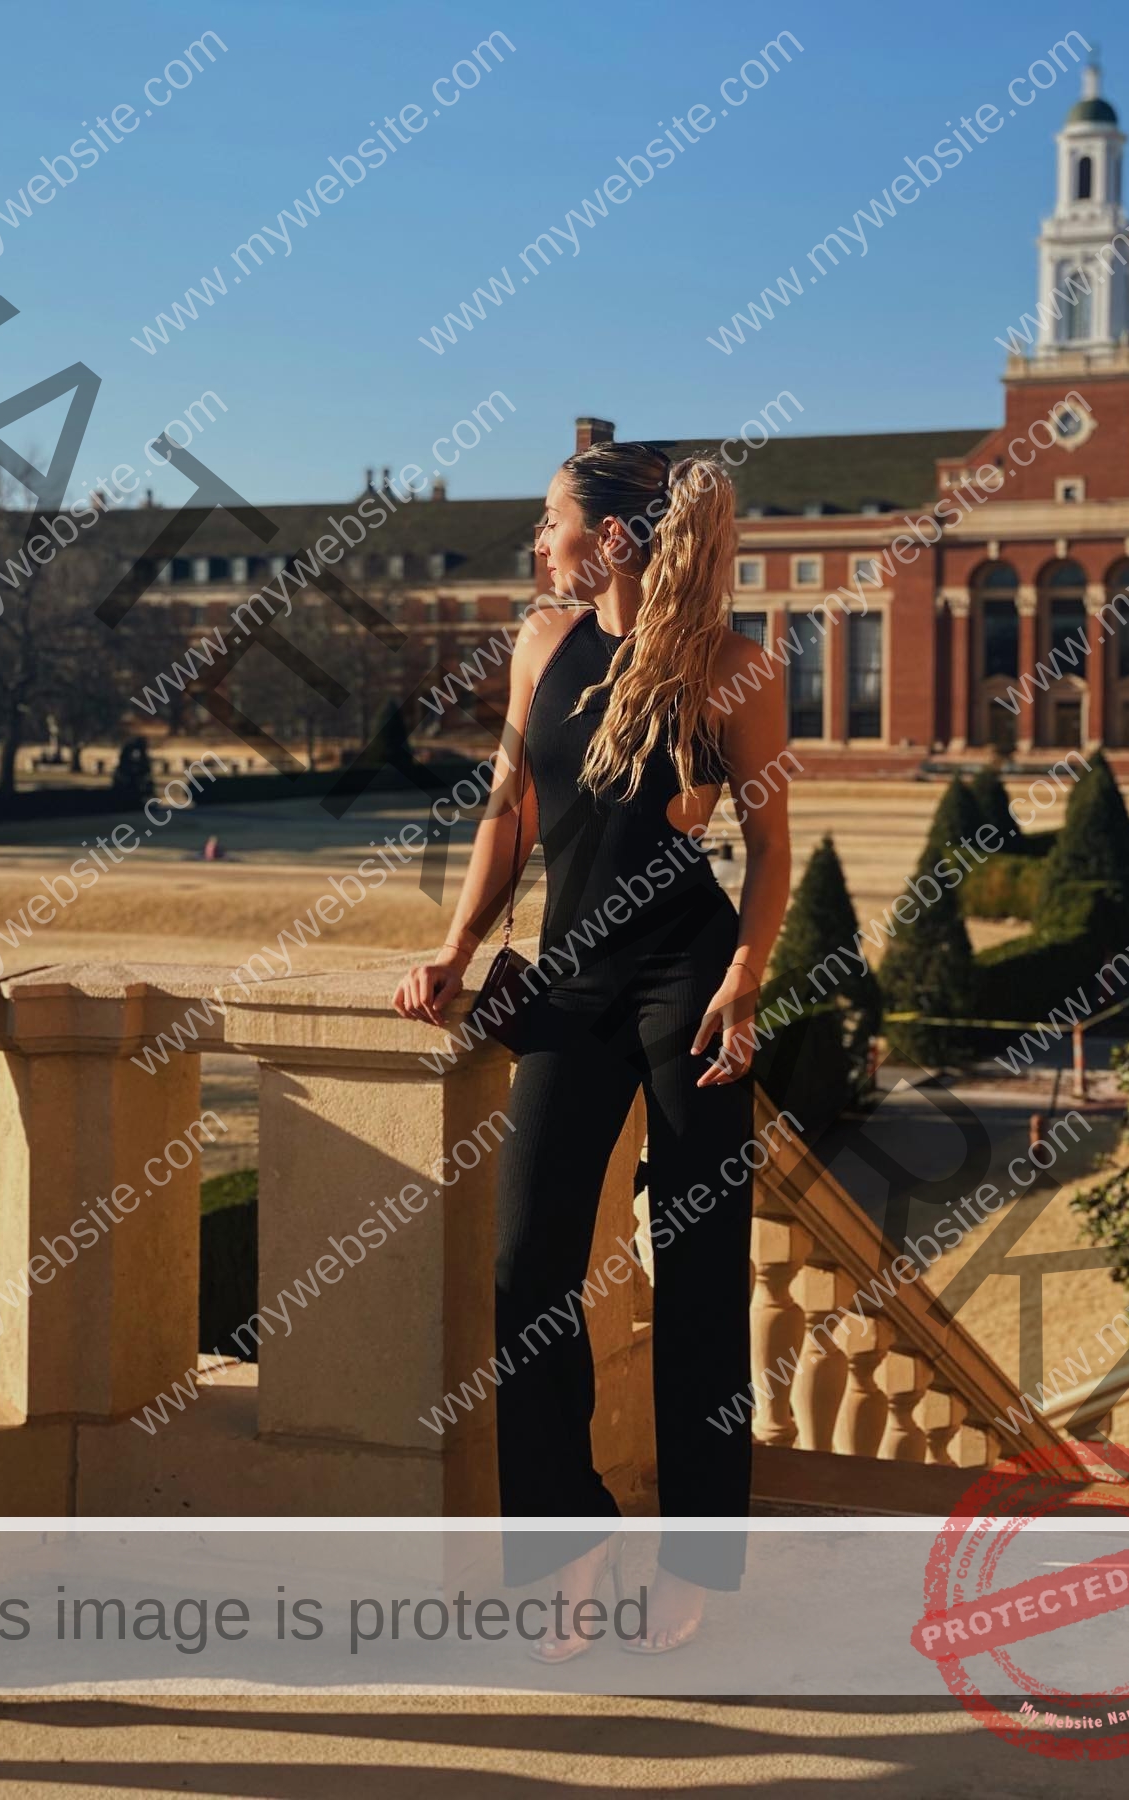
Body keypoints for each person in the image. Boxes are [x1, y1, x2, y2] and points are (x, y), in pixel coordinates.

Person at [393, 440, 790, 1657]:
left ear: (611, 538)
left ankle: (701, 1560)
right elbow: (510, 809)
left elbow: (772, 851)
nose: (540, 538)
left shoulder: (732, 667)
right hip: (568, 982)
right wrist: (458, 947)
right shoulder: (539, 645)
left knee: (702, 1271)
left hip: (689, 984)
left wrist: (742, 977)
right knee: (526, 1266)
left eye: (554, 519)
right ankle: (571, 1538)